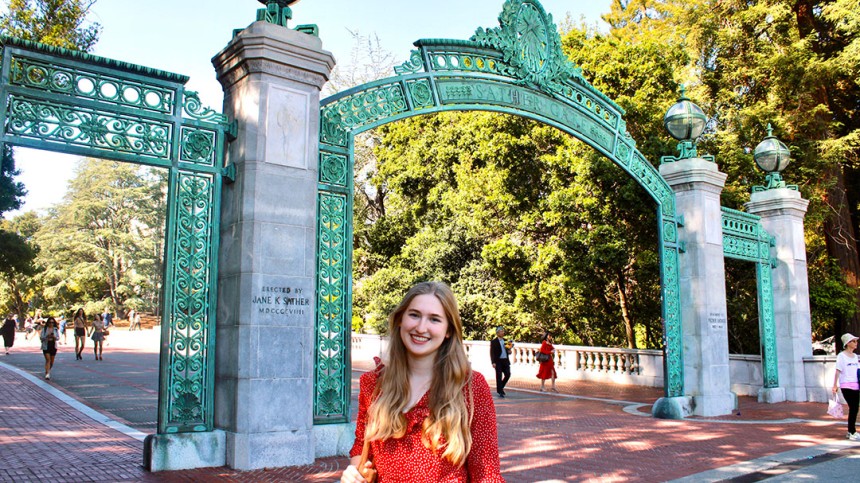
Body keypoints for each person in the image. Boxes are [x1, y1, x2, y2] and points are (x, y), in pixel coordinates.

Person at [340, 281, 504, 483]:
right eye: (414, 315)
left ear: (448, 331)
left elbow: (486, 475)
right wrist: (354, 474)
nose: (421, 327)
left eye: (434, 319)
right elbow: (361, 449)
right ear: (400, 319)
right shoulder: (373, 384)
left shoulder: (470, 387)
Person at [833, 333, 860, 441]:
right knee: (853, 407)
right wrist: (834, 384)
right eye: (853, 341)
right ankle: (852, 431)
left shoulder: (855, 357)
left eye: (856, 341)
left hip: (856, 385)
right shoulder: (841, 356)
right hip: (846, 385)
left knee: (855, 408)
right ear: (848, 343)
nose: (856, 343)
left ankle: (851, 431)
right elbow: (837, 371)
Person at [490, 326, 512, 398]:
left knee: (508, 374)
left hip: (505, 360)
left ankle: (500, 387)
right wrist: (493, 362)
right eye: (501, 331)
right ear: (497, 333)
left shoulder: (506, 341)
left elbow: (509, 351)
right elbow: (492, 352)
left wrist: (509, 351)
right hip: (498, 361)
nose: (502, 332)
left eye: (503, 331)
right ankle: (500, 391)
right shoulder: (494, 342)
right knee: (499, 376)